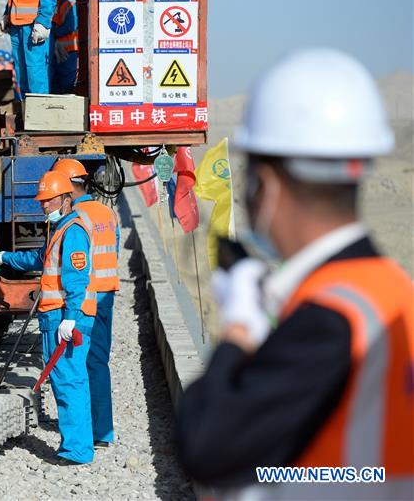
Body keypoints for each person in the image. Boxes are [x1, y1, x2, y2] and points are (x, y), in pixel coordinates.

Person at [176, 49, 414, 498]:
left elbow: (204, 443)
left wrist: (240, 329)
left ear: (264, 186)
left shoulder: (328, 318)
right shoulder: (393, 290)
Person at [0, 170, 96, 464]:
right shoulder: (59, 231)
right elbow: (39, 260)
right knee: (71, 381)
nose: (43, 206)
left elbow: (77, 277)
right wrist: (4, 258)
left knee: (69, 383)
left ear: (65, 199)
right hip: (57, 318)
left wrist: (71, 318)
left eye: (48, 201)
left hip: (65, 318)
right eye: (41, 201)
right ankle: (78, 447)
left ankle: (76, 451)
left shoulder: (73, 231)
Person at [51, 158, 119, 448]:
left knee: (74, 368)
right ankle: (102, 432)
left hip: (85, 300)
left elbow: (75, 267)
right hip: (106, 296)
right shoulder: (106, 212)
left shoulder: (76, 220)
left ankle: (80, 439)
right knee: (98, 364)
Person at [50, 0, 78, 95]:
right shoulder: (49, 8)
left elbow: (69, 27)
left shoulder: (69, 7)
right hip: (54, 52)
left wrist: (53, 33)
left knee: (67, 84)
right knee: (54, 83)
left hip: (68, 53)